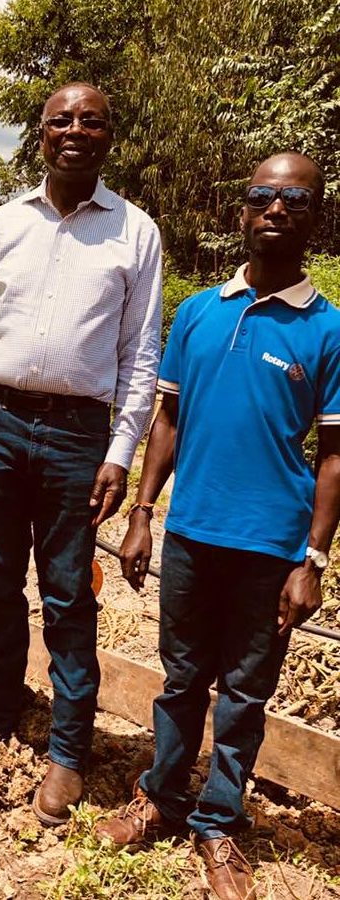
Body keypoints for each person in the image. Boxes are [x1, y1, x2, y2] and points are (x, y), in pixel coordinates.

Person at [96, 152, 340, 900]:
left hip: (271, 546)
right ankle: (160, 799)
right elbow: (167, 419)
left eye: (294, 200)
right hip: (192, 535)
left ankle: (219, 823)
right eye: (262, 196)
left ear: (317, 216)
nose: (276, 209)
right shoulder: (199, 312)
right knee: (180, 679)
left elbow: (335, 456)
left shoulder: (328, 328)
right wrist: (143, 513)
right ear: (243, 212)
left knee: (244, 692)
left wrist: (314, 561)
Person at [0, 82, 163, 826]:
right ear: (40, 135)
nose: (74, 131)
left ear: (107, 137)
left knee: (68, 594)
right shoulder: (3, 225)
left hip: (77, 436)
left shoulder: (136, 233)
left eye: (90, 121)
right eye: (60, 120)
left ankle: (68, 751)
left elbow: (140, 353)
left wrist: (121, 451)